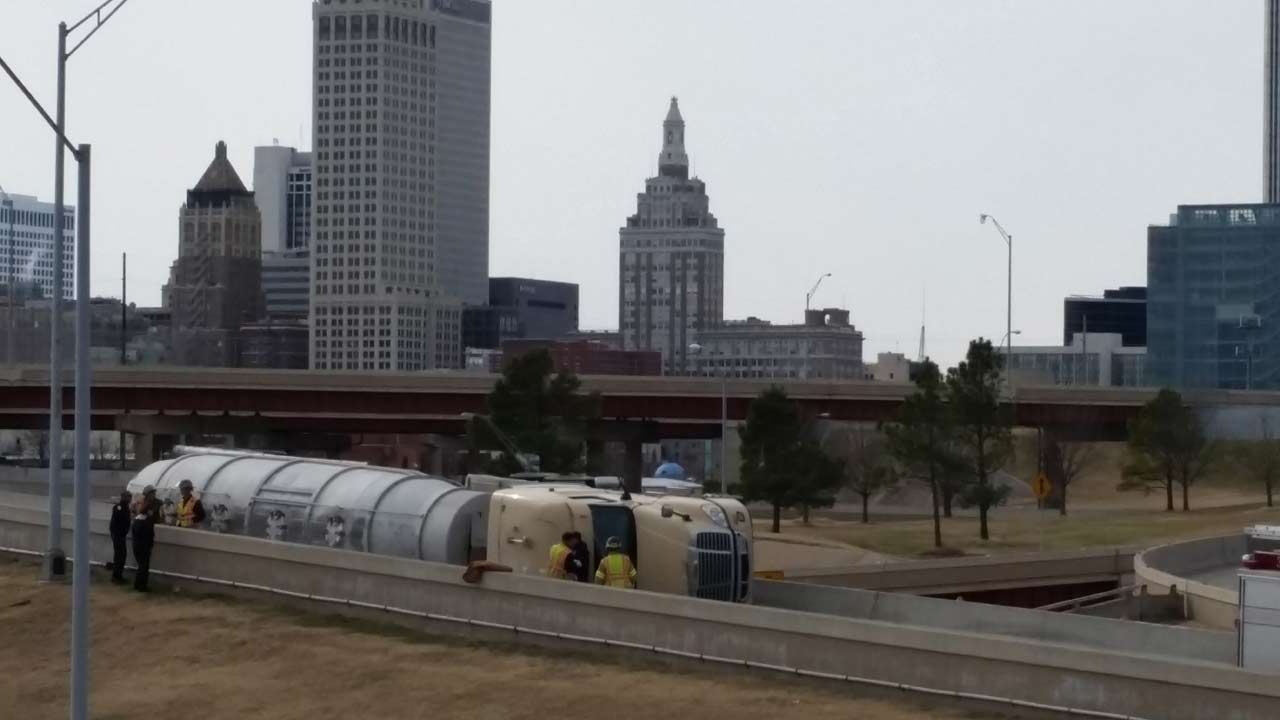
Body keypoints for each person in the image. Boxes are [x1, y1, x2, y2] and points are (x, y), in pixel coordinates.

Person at [131, 485, 162, 592]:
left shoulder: (139, 520)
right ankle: (141, 586)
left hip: (140, 544)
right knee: (143, 565)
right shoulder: (143, 520)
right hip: (143, 544)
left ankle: (139, 585)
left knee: (142, 565)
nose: (153, 495)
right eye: (152, 493)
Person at [108, 490, 132, 584]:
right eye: (128, 497)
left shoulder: (126, 507)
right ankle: (116, 576)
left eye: (130, 497)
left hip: (121, 535)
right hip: (118, 535)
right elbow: (117, 521)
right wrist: (118, 533)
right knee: (119, 556)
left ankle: (118, 576)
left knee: (122, 555)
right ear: (123, 497)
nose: (129, 498)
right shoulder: (119, 507)